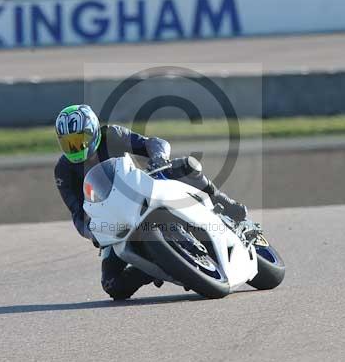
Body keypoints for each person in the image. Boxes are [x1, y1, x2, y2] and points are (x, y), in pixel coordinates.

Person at [53, 104, 247, 300]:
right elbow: (77, 214)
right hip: (114, 219)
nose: (76, 148)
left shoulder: (112, 135)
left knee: (185, 166)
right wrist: (92, 231)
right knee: (112, 285)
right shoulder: (63, 171)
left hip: (144, 187)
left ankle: (224, 202)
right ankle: (158, 267)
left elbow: (153, 143)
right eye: (68, 143)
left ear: (93, 131)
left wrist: (158, 158)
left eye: (80, 140)